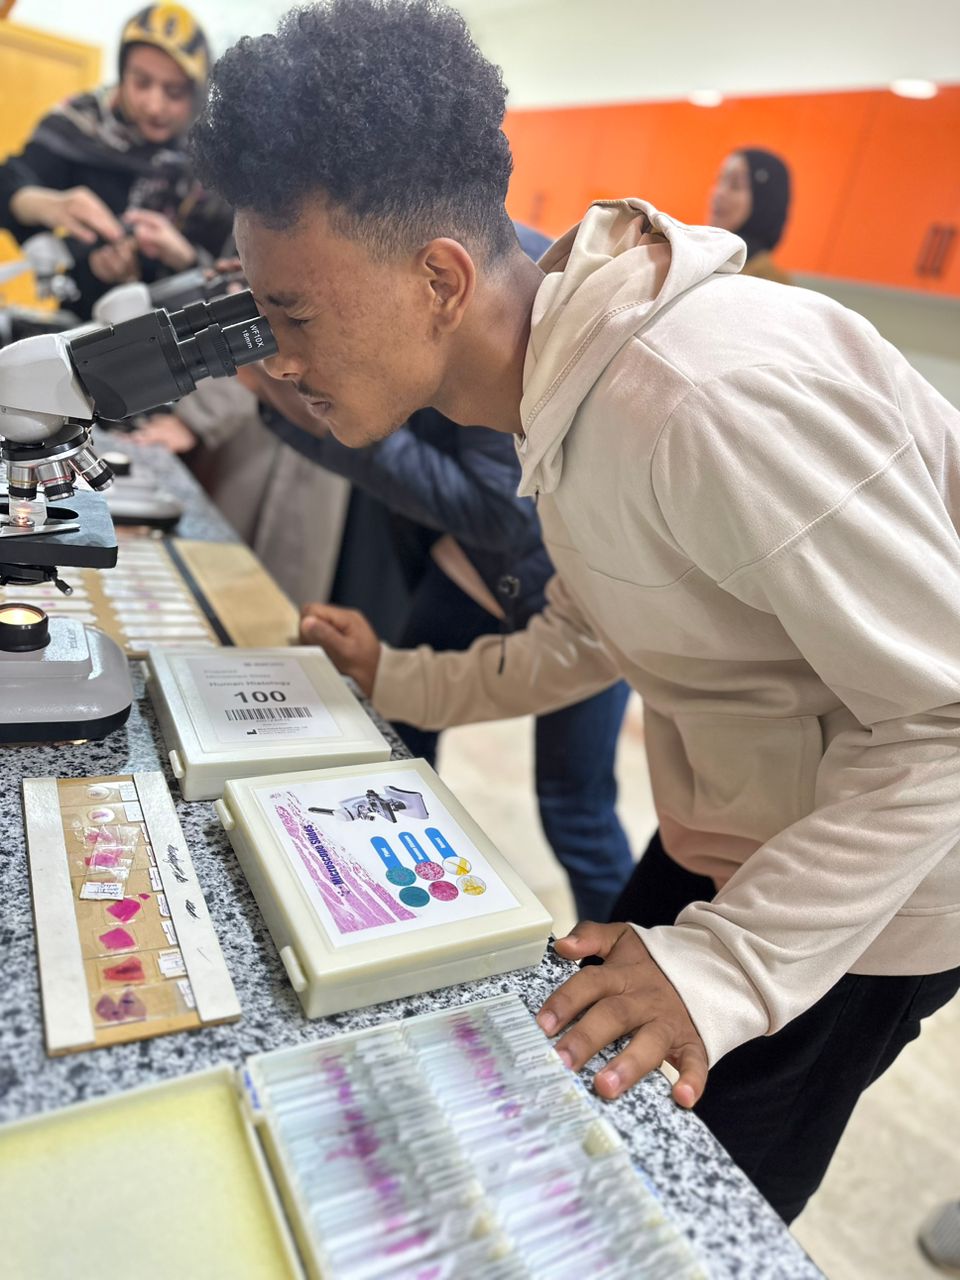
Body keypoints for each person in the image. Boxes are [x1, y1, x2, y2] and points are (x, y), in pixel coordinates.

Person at [190, 0, 960, 1223]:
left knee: (683, 1211)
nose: (277, 357)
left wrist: (728, 964)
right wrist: (400, 678)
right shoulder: (563, 395)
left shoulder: (709, 397)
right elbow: (592, 635)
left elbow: (944, 723)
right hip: (729, 835)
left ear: (439, 276)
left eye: (294, 313)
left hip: (871, 901)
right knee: (573, 1133)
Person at [245, 355, 634, 922]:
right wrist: (286, 397)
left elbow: (503, 510)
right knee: (396, 748)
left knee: (575, 808)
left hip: (563, 591)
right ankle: (387, 903)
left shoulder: (498, 347)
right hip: (472, 571)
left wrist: (336, 417)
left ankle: (619, 966)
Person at [0, 4, 231, 317]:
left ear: (196, 93)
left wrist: (184, 258)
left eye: (174, 91)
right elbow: (10, 181)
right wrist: (44, 204)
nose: (153, 105)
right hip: (83, 327)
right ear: (122, 75)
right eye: (141, 82)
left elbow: (241, 275)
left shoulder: (217, 158)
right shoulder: (82, 123)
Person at [708, 147, 792, 283]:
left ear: (764, 201)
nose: (718, 193)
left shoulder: (771, 283)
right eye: (719, 180)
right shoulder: (702, 258)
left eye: (735, 185)